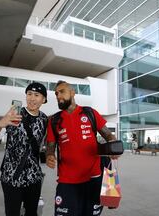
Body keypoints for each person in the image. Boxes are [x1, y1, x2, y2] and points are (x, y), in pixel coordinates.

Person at [46, 80, 119, 216]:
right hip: (67, 182)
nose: (58, 96)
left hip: (94, 179)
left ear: (73, 92)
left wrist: (113, 146)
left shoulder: (90, 113)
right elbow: (50, 146)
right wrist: (49, 155)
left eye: (62, 91)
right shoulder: (54, 120)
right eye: (56, 93)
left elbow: (108, 135)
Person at [0, 82, 48, 216]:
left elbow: (46, 143)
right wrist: (0, 124)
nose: (32, 98)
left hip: (33, 177)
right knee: (12, 212)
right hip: (11, 176)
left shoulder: (44, 119)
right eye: (29, 94)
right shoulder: (15, 114)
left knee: (32, 212)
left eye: (36, 95)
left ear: (43, 99)